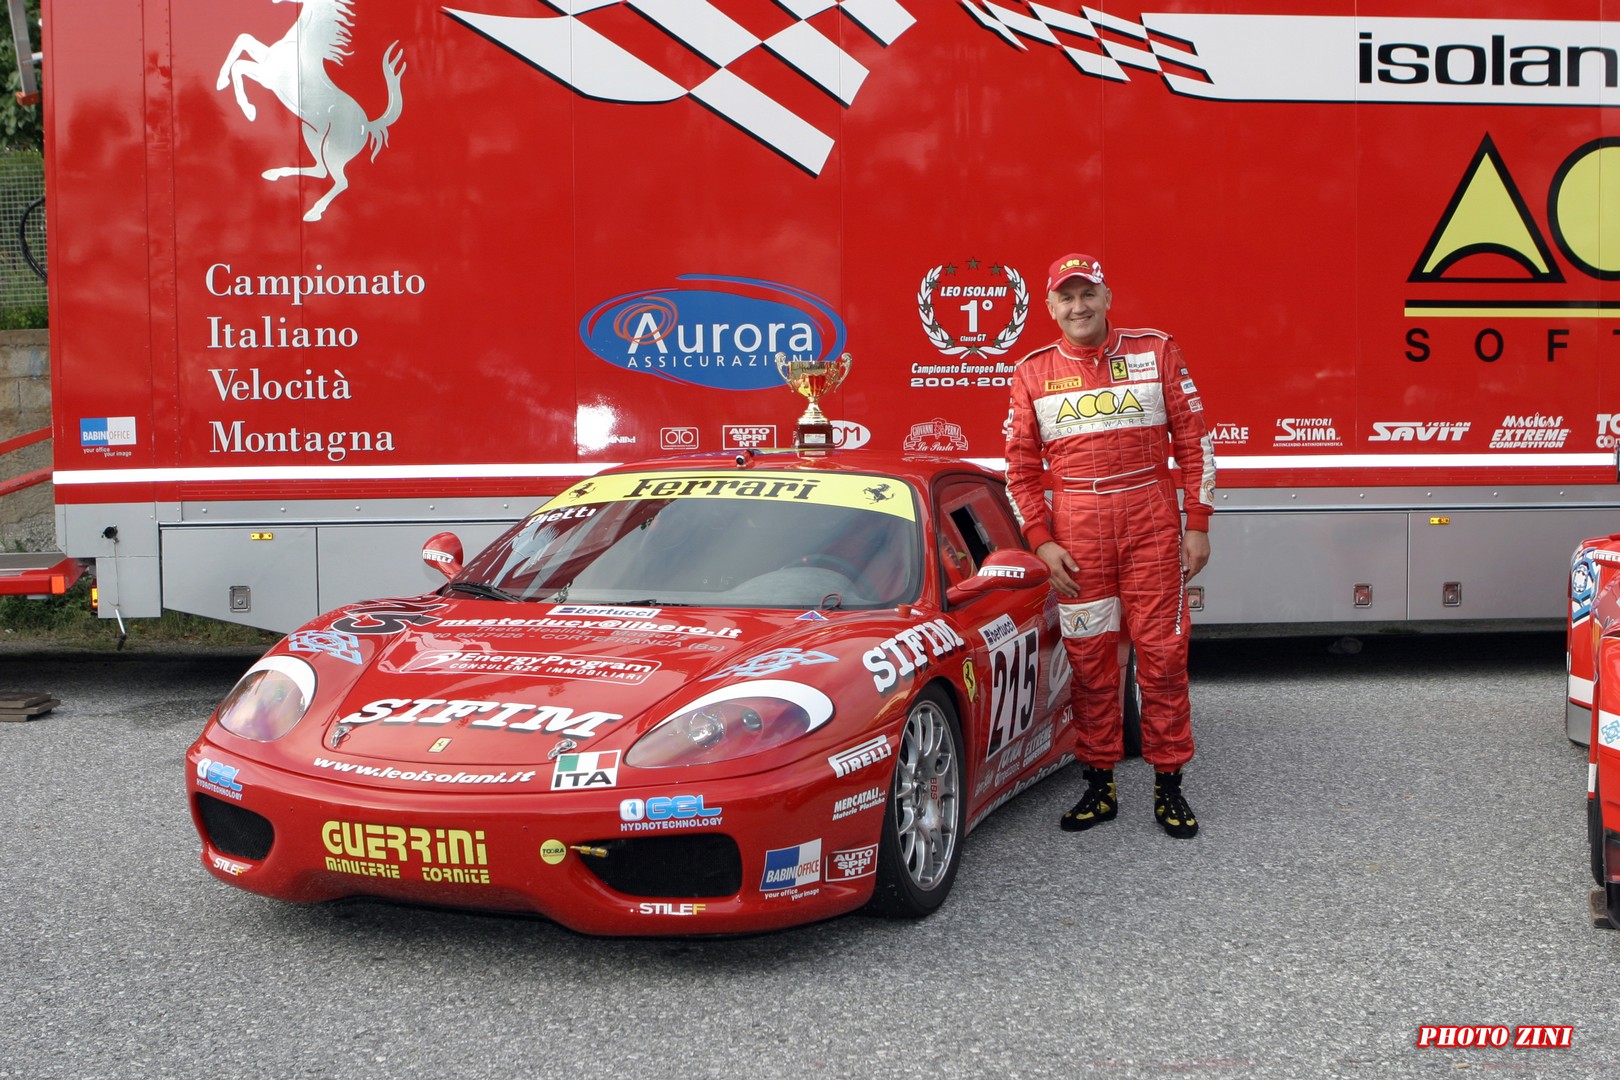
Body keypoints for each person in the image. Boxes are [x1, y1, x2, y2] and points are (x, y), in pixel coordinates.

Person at [1003, 253, 1215, 839]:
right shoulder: (1033, 372)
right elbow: (1019, 470)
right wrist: (1041, 541)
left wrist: (1198, 522)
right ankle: (1100, 785)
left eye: (1088, 294)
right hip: (1078, 531)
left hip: (1151, 521)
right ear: (1051, 307)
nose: (1079, 307)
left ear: (1107, 297)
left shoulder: (1156, 350)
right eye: (1067, 297)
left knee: (1163, 659)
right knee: (1091, 663)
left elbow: (1194, 441)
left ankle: (1169, 786)